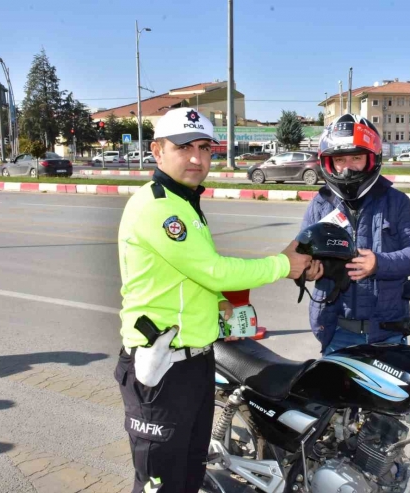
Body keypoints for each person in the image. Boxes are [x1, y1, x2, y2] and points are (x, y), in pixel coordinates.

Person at [114, 107, 311, 493]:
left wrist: (223, 306)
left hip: (194, 363)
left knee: (188, 474)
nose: (196, 158)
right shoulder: (159, 206)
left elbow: (189, 278)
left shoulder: (184, 202)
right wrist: (282, 265)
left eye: (205, 148)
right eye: (184, 147)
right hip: (162, 370)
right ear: (156, 151)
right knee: (159, 484)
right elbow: (212, 269)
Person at [301, 113, 410, 354]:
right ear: (328, 162)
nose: (347, 168)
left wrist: (379, 263)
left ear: (372, 159)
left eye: (356, 158)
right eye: (340, 160)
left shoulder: (397, 202)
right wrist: (308, 271)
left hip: (387, 332)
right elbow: (301, 257)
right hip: (336, 331)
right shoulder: (320, 205)